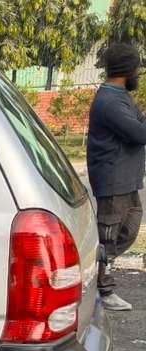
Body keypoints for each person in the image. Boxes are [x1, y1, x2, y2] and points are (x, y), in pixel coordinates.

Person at [87, 42, 146, 312]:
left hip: (127, 180)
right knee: (108, 238)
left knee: (129, 230)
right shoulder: (110, 101)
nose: (138, 74)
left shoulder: (120, 96)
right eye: (137, 69)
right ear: (128, 69)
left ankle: (94, 269)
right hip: (113, 181)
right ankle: (104, 289)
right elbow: (140, 133)